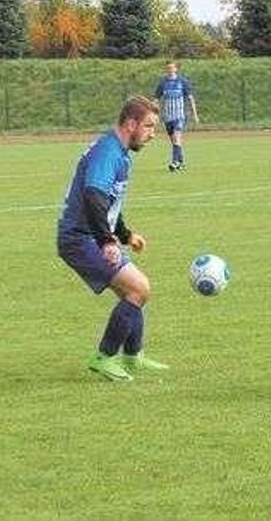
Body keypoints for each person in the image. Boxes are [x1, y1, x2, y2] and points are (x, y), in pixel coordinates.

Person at [56, 95, 170, 381]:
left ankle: (132, 357)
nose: (152, 134)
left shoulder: (119, 153)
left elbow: (107, 202)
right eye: (148, 126)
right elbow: (93, 196)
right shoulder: (108, 152)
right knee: (139, 288)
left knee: (133, 292)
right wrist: (107, 241)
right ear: (130, 124)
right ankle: (104, 358)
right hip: (80, 238)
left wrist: (125, 235)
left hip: (90, 234)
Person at [154, 61, 199, 172]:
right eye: (168, 68)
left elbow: (190, 98)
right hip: (168, 117)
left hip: (179, 116)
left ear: (176, 69)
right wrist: (154, 114)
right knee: (174, 141)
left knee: (176, 137)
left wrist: (195, 114)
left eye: (172, 68)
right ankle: (181, 162)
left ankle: (174, 162)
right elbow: (156, 99)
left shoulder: (182, 82)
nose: (170, 70)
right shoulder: (163, 83)